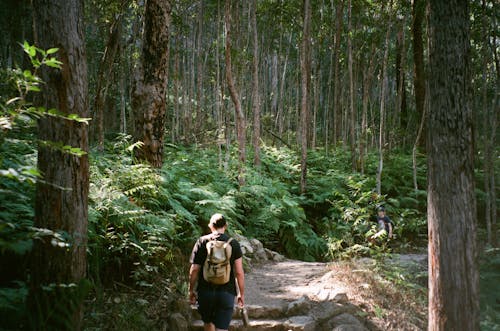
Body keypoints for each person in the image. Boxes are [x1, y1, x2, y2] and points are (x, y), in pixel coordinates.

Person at [189, 213, 245, 331]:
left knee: (208, 324)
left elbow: (194, 269)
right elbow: (239, 272)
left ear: (211, 226)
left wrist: (191, 290)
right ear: (225, 225)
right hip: (227, 292)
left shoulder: (202, 242)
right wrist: (241, 293)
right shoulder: (233, 243)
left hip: (205, 291)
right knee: (222, 328)